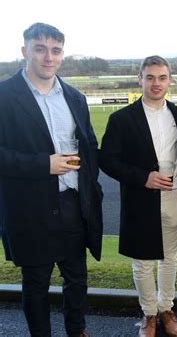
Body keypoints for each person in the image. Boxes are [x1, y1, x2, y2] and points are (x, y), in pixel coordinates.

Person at [0, 22, 103, 337]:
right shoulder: (4, 95)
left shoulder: (74, 96)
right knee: (36, 284)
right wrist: (42, 165)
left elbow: (89, 146)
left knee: (77, 279)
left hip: (73, 205)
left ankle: (77, 331)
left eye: (55, 50)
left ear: (62, 54)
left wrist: (89, 186)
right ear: (24, 51)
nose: (48, 57)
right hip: (31, 209)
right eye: (40, 49)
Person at [99, 56, 177, 337]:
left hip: (174, 197)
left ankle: (166, 307)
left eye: (161, 77)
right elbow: (107, 161)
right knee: (143, 262)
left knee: (170, 257)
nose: (156, 83)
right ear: (140, 79)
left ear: (169, 80)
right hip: (140, 198)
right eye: (150, 77)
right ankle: (148, 313)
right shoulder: (121, 118)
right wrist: (142, 178)